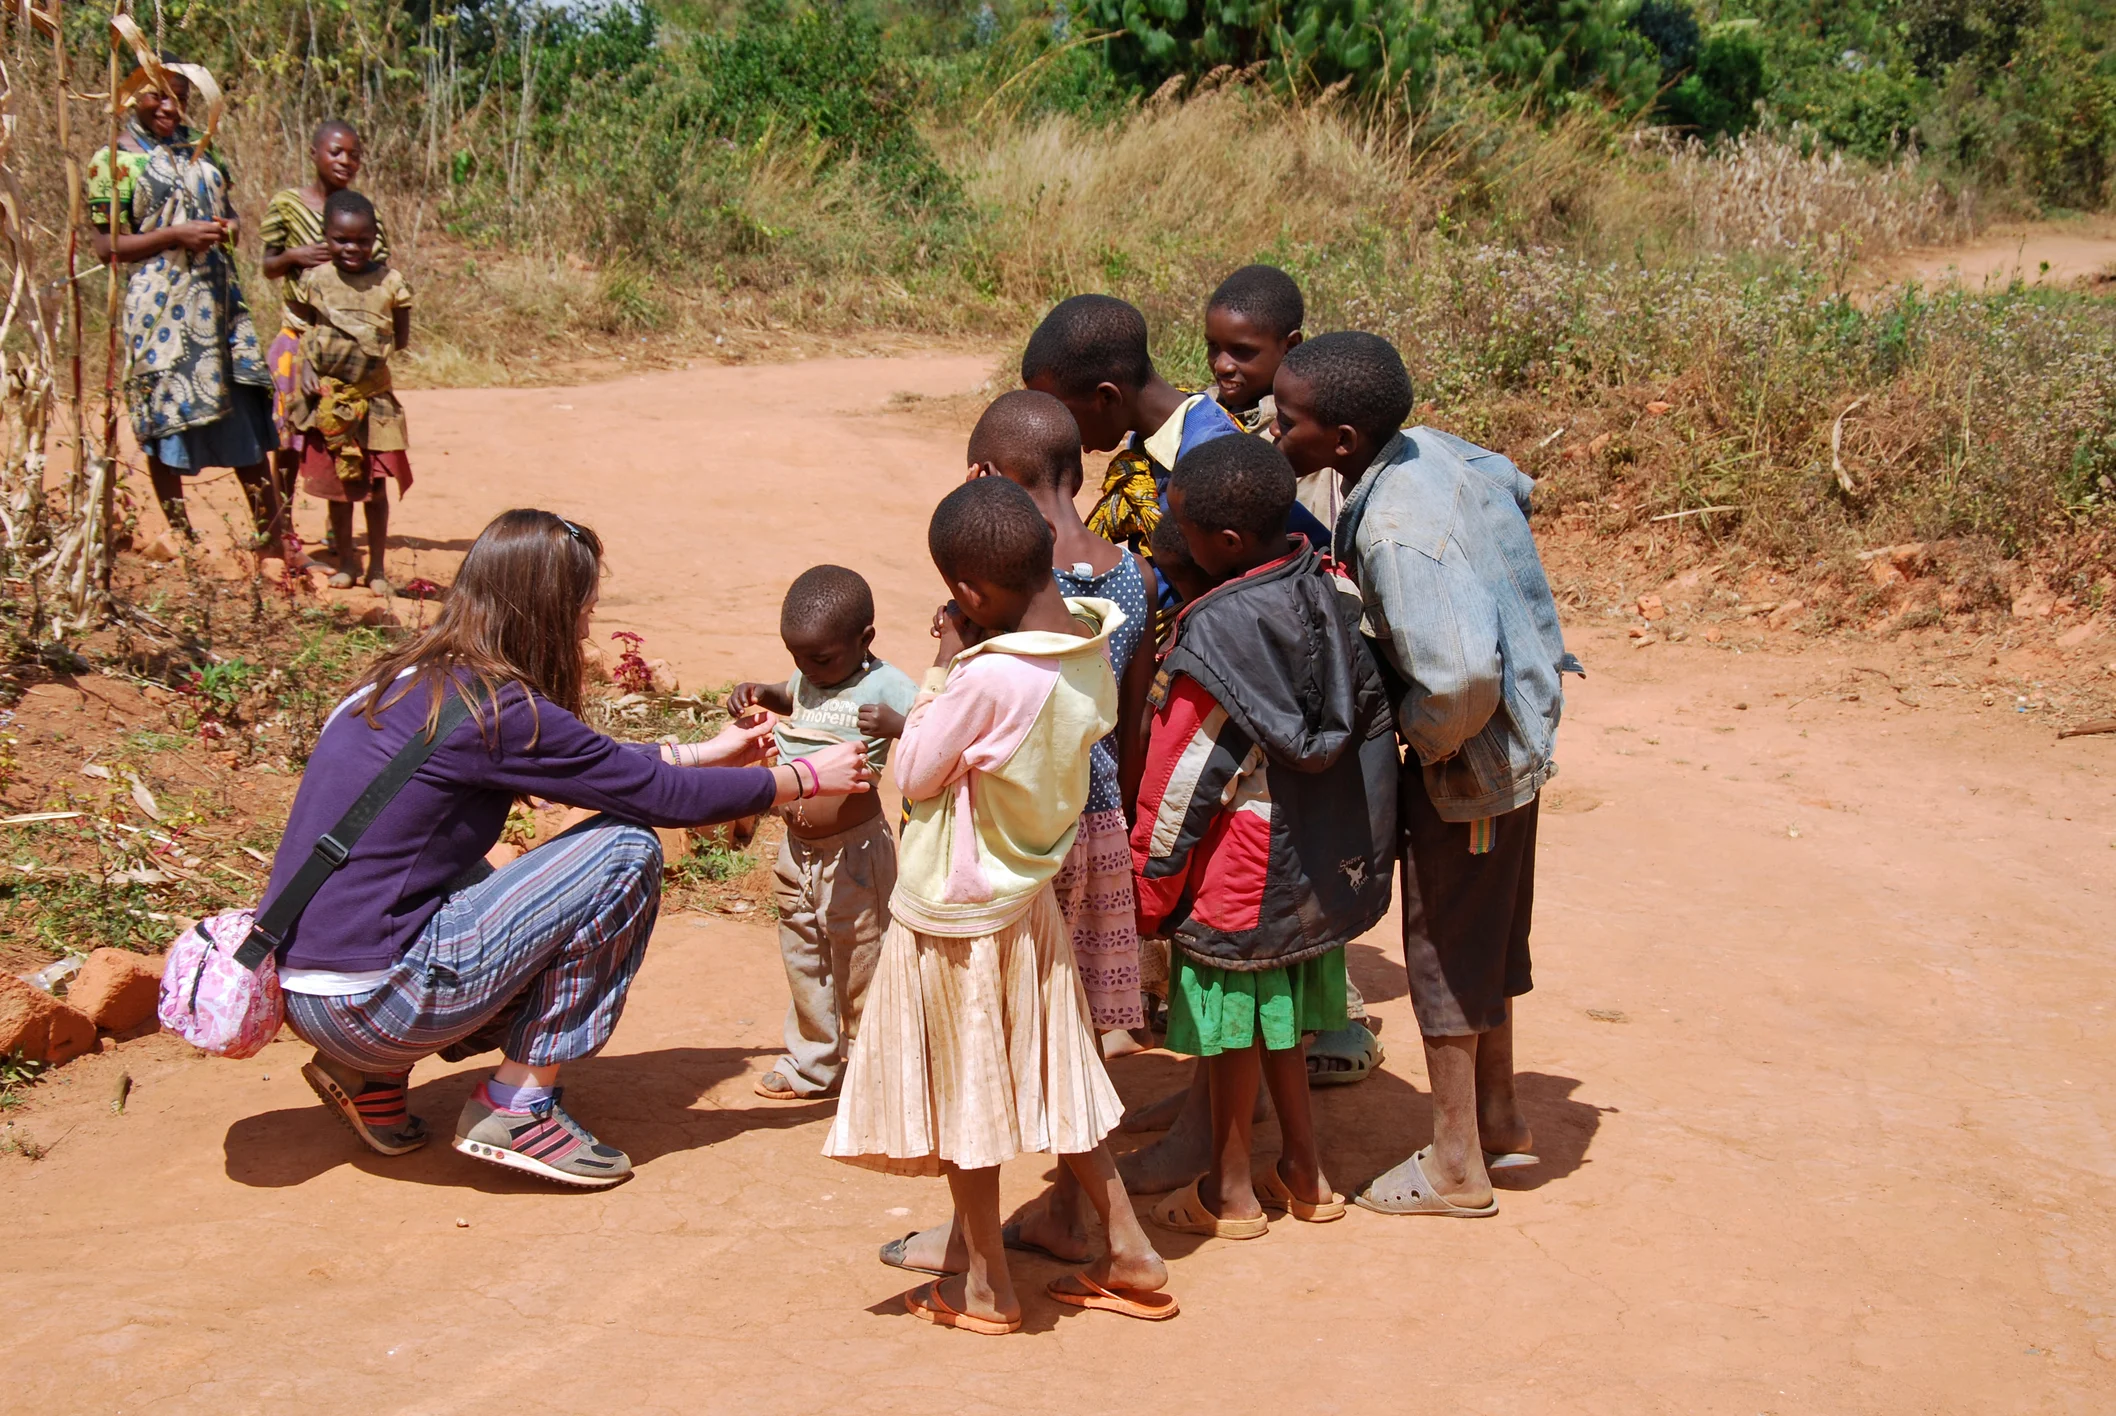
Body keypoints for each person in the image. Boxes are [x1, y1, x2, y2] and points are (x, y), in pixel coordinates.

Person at [269, 509, 875, 1187]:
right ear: (546, 611)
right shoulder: (501, 709)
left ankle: (368, 1074)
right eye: (583, 608)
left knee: (463, 873)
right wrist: (799, 780)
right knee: (623, 850)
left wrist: (707, 753)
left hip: (316, 992)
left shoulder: (407, 682)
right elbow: (649, 798)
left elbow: (593, 766)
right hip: (376, 1003)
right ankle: (516, 1107)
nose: (587, 624)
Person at [825, 478, 1174, 1333]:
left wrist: (945, 664)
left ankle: (984, 1284)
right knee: (1064, 1073)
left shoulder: (984, 679)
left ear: (970, 595)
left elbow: (912, 773)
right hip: (1029, 896)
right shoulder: (1093, 646)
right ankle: (1127, 1245)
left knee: (963, 1092)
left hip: (956, 908)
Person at [1273, 332, 1582, 1217]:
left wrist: (1411, 733)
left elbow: (1456, 680)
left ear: (1341, 441)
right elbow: (1509, 479)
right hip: (1515, 737)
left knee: (1443, 941)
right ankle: (1497, 1113)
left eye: (1288, 421)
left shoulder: (1400, 533)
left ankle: (1456, 1165)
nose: (1274, 432)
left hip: (1471, 760)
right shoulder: (1430, 454)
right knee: (1483, 929)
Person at [1131, 435, 1396, 1239]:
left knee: (1232, 1027)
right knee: (1283, 1015)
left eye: (1181, 526)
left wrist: (1148, 890)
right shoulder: (1326, 590)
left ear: (1226, 543)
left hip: (1238, 870)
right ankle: (1308, 1176)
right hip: (1316, 853)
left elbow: (1181, 786)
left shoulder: (1213, 639)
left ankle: (1231, 1193)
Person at [966, 390, 1155, 1030]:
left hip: (1017, 817)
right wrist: (1124, 818)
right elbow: (1134, 721)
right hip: (1099, 808)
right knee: (1082, 989)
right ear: (1075, 472)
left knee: (1020, 984)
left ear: (984, 477)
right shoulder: (1136, 575)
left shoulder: (1003, 575)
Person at [727, 565, 919, 1101]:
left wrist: (902, 725)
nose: (809, 670)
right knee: (803, 955)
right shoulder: (811, 676)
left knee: (862, 962)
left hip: (855, 856)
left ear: (865, 641)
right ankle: (813, 1060)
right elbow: (797, 698)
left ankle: (870, 1067)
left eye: (822, 659)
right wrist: (760, 691)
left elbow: (941, 720)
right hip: (797, 852)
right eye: (797, 659)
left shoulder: (886, 685)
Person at [85, 56, 280, 544]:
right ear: (133, 95)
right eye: (158, 95)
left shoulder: (203, 148)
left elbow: (232, 215)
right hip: (159, 309)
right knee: (165, 415)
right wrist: (175, 234)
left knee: (246, 409)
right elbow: (106, 246)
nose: (170, 106)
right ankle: (182, 541)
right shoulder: (112, 159)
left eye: (180, 96)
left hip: (219, 303)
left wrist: (224, 230)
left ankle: (273, 536)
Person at [1019, 294, 1330, 595]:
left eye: (1063, 414)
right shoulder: (1145, 442)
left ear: (1107, 398)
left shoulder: (1218, 463)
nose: (1059, 429)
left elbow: (1304, 556)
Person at [260, 118, 389, 558]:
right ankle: (284, 521)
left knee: (343, 433)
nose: (345, 161)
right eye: (336, 152)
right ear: (314, 154)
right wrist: (296, 256)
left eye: (353, 154)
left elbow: (381, 272)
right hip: (298, 336)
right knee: (290, 436)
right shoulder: (288, 204)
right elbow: (268, 263)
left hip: (347, 346)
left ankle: (339, 529)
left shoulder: (362, 212)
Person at [284, 189, 411, 594]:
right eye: (341, 239)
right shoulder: (316, 280)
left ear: (375, 237)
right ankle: (348, 563)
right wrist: (306, 367)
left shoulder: (390, 283)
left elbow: (400, 337)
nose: (352, 248)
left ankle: (377, 568)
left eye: (361, 240)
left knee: (375, 488)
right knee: (338, 490)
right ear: (326, 236)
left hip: (372, 401)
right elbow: (307, 329)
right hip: (330, 402)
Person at [1204, 263, 1304, 440]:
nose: (1221, 366)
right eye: (1213, 346)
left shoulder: (1295, 439)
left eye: (1241, 351)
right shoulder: (1200, 407)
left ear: (1290, 347)